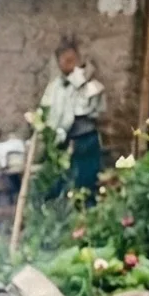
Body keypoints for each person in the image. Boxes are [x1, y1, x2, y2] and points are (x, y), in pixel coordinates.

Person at [35, 39, 105, 199]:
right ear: (59, 63)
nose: (70, 64)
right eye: (65, 60)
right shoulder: (55, 88)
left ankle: (85, 215)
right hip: (62, 142)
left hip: (85, 141)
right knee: (61, 182)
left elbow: (96, 111)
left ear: (79, 59)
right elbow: (48, 112)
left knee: (86, 183)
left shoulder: (90, 85)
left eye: (73, 59)